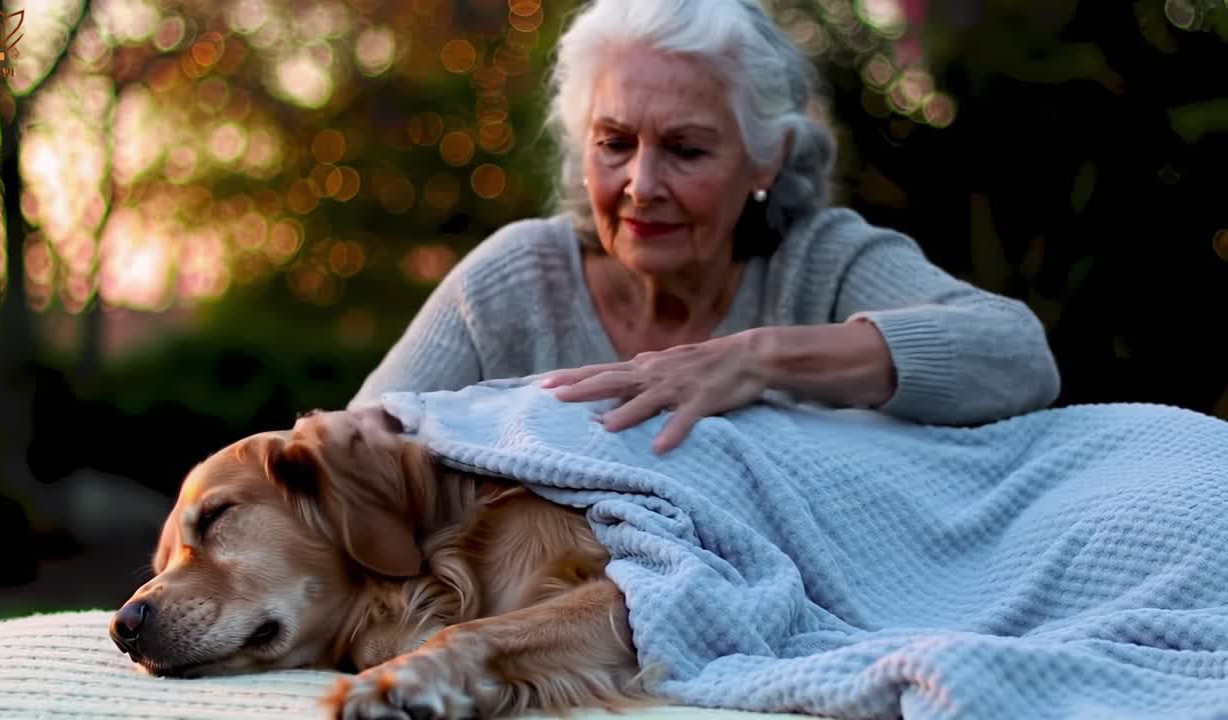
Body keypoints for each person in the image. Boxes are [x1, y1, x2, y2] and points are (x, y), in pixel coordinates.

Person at [349, 0, 1060, 453]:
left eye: (686, 150)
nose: (642, 185)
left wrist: (756, 360)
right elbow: (348, 453)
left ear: (767, 159)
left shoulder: (821, 262)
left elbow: (1016, 355)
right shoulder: (515, 281)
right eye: (614, 143)